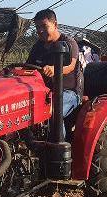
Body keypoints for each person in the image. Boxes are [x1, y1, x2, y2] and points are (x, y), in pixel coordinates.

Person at [26, 9, 81, 137]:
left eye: (44, 26)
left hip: (68, 92)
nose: (40, 31)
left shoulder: (68, 43)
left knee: (52, 110)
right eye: (37, 27)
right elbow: (28, 66)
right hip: (43, 92)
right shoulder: (37, 46)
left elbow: (71, 66)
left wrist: (55, 69)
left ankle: (59, 151)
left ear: (55, 25)